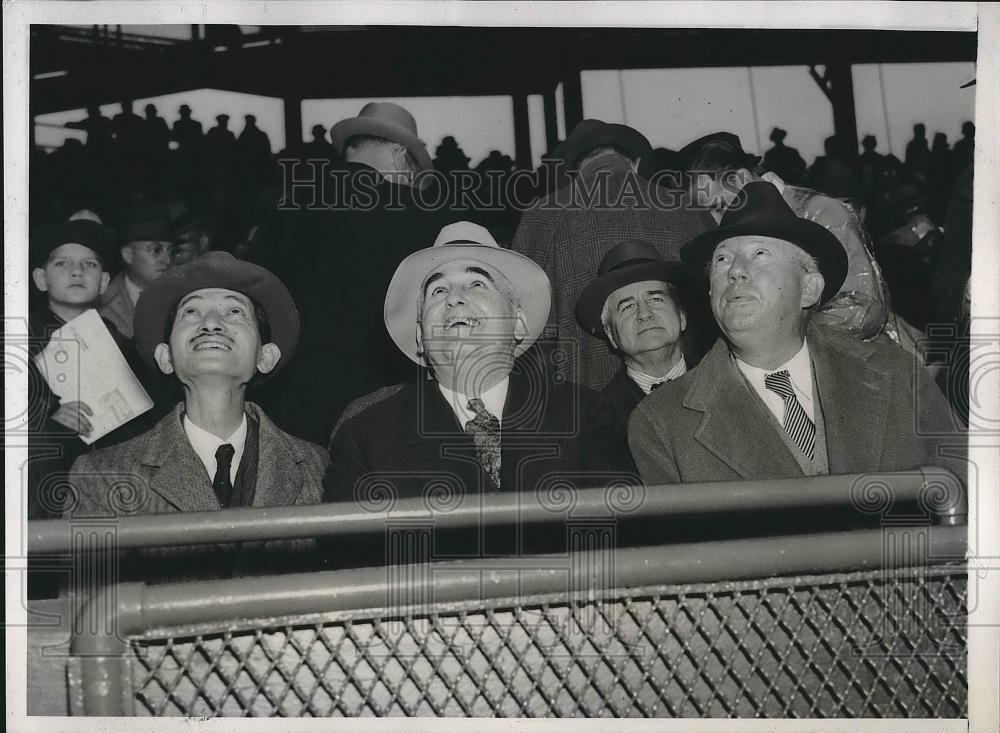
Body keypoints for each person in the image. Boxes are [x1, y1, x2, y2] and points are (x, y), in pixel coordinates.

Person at [628, 182, 966, 487]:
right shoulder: (662, 423)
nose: (735, 272)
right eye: (721, 260)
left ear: (809, 289)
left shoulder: (896, 373)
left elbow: (971, 499)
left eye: (759, 254)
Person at [324, 222, 605, 565]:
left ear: (517, 322)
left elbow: (619, 551)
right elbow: (352, 571)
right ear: (420, 337)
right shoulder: (364, 438)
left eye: (476, 283)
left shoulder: (588, 414)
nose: (454, 298)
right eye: (438, 291)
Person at [69, 251, 327, 514]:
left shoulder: (317, 468)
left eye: (235, 311)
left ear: (265, 356)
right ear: (166, 356)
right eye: (191, 312)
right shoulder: (101, 476)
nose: (211, 323)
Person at [257, 101, 442, 445]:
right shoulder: (419, 214)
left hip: (290, 400)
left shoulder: (287, 203)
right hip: (385, 404)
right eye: (414, 169)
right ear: (400, 156)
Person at [511, 119, 713, 391]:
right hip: (697, 386)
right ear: (636, 162)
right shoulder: (690, 209)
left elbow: (523, 326)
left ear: (574, 171)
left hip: (585, 396)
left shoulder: (543, 216)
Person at [680, 131, 901, 347]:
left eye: (719, 207)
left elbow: (863, 308)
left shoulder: (821, 212)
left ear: (741, 179)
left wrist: (778, 344)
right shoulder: (731, 233)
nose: (717, 222)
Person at [27, 220, 156, 518]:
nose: (76, 271)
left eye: (89, 264)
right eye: (61, 263)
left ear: (103, 281)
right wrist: (46, 419)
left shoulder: (124, 345)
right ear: (40, 278)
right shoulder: (21, 347)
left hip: (119, 489)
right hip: (52, 496)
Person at [575, 239, 690, 472]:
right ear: (611, 334)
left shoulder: (731, 383)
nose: (644, 314)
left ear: (682, 316)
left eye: (655, 299)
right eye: (627, 307)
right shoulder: (597, 420)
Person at [99, 203, 175, 339]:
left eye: (171, 250)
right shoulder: (103, 306)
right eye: (156, 250)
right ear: (128, 255)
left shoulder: (183, 296)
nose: (167, 260)